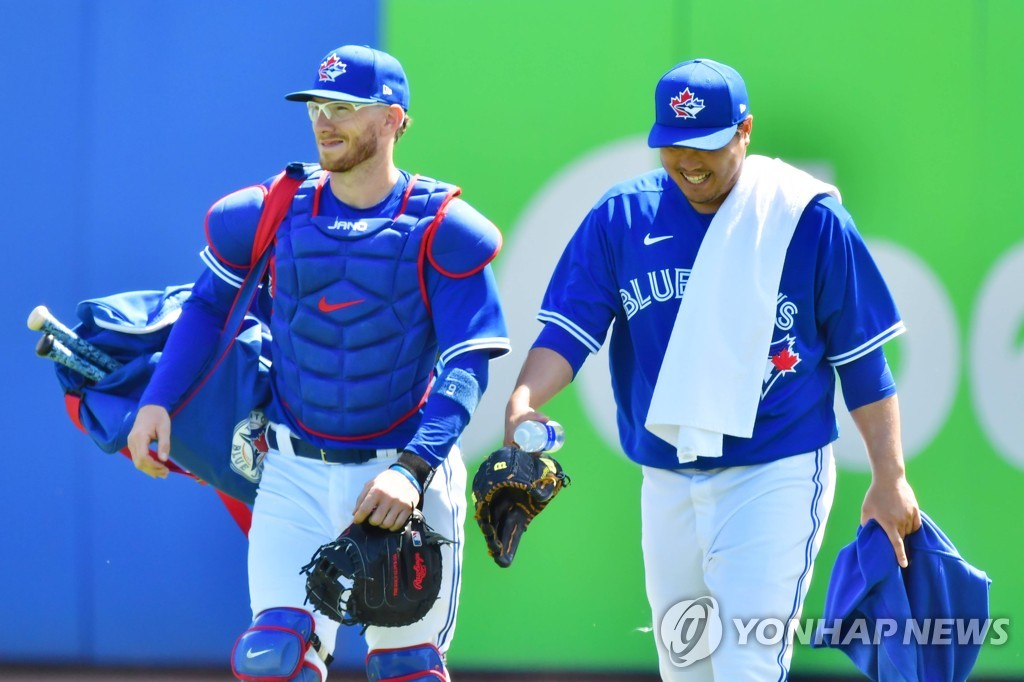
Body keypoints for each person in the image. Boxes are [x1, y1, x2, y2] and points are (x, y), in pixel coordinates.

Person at [503, 58, 921, 681]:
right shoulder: (624, 216)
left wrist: (890, 476)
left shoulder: (801, 216)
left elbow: (862, 360)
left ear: (745, 131)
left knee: (747, 664)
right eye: (674, 146)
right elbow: (569, 329)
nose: (689, 161)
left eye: (707, 144)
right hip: (667, 474)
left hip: (774, 469)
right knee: (687, 669)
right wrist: (524, 400)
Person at [127, 44, 510, 681]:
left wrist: (413, 472)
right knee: (273, 661)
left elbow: (469, 365)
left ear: (394, 119)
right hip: (294, 472)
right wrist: (157, 400)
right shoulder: (272, 212)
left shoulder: (440, 225)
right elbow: (205, 310)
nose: (324, 122)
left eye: (344, 107)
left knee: (406, 669)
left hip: (401, 476)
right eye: (316, 108)